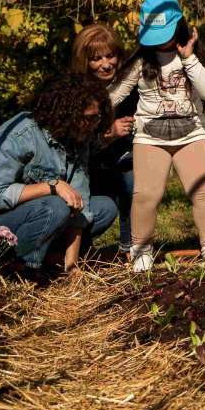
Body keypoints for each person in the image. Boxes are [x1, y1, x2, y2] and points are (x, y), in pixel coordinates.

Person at [108, 0, 205, 272]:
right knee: (146, 195)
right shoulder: (140, 63)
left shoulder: (190, 59)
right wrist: (91, 107)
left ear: (180, 27)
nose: (160, 40)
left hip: (191, 134)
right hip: (150, 137)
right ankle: (141, 251)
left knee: (204, 193)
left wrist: (189, 57)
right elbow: (113, 95)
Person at [0, 74, 117, 272]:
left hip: (39, 213)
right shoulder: (20, 135)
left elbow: (80, 203)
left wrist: (72, 267)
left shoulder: (79, 137)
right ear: (65, 114)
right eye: (88, 118)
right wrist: (52, 187)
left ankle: (54, 257)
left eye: (96, 117)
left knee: (104, 208)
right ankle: (25, 267)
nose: (93, 125)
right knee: (56, 206)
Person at [72, 24, 137, 255]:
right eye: (96, 59)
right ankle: (79, 246)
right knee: (93, 201)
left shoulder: (129, 85)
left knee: (132, 184)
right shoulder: (77, 93)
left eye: (110, 56)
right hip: (89, 161)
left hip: (125, 156)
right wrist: (109, 134)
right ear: (85, 61)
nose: (106, 64)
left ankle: (130, 246)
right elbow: (77, 144)